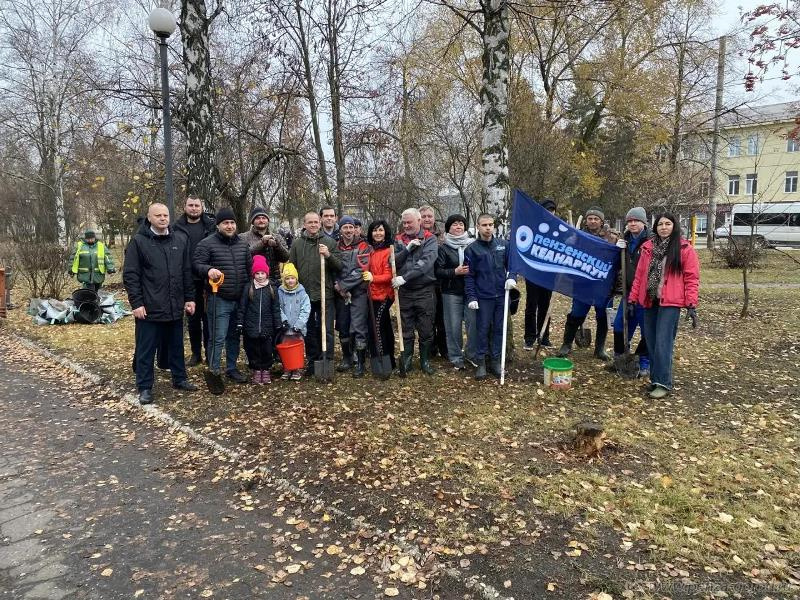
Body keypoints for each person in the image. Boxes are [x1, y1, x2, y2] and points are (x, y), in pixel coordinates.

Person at [123, 203, 197, 405]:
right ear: (149, 218)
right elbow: (131, 275)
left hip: (174, 306)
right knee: (146, 349)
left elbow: (186, 272)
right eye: (158, 215)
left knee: (176, 346)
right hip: (149, 308)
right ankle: (145, 387)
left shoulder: (179, 240)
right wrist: (136, 303)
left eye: (165, 215)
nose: (163, 218)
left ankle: (179, 378)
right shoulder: (139, 242)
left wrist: (189, 298)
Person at [629, 212, 700, 399]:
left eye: (668, 224)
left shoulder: (684, 249)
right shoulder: (648, 247)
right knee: (651, 342)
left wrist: (691, 304)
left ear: (674, 226)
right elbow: (639, 276)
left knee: (663, 343)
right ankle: (655, 380)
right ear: (655, 227)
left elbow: (691, 278)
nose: (664, 227)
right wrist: (632, 299)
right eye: (660, 224)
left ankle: (663, 383)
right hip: (650, 300)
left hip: (670, 303)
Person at [193, 207, 252, 385]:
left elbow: (249, 268)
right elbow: (196, 264)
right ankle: (214, 370)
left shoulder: (242, 244)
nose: (230, 226)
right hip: (218, 298)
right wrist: (208, 270)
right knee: (217, 337)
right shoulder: (206, 244)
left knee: (234, 336)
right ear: (218, 225)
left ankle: (231, 369)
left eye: (232, 222)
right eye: (226, 223)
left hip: (239, 299)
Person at [557, 206, 618, 360]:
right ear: (586, 220)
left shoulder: (612, 237)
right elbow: (568, 254)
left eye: (596, 219)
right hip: (582, 283)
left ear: (601, 221)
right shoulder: (578, 235)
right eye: (590, 218)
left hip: (604, 285)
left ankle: (599, 349)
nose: (592, 221)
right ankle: (566, 344)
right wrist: (569, 241)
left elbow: (618, 258)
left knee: (602, 316)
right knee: (576, 314)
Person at [288, 211, 342, 374]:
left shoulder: (329, 242)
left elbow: (339, 266)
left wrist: (328, 255)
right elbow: (292, 267)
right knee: (309, 329)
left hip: (326, 294)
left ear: (320, 223)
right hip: (304, 295)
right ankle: (313, 361)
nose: (313, 225)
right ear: (304, 224)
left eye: (315, 222)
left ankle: (328, 359)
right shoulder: (297, 244)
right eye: (309, 222)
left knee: (327, 329)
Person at [464, 214, 517, 379]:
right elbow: (469, 276)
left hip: (501, 295)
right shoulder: (471, 249)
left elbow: (512, 266)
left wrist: (511, 278)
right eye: (484, 225)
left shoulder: (504, 245)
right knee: (482, 329)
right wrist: (472, 297)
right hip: (483, 297)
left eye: (490, 224)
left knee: (499, 329)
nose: (488, 228)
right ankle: (481, 362)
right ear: (478, 227)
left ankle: (496, 361)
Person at [392, 208, 439, 375]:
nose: (406, 226)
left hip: (424, 290)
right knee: (406, 327)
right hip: (405, 292)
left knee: (426, 328)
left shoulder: (429, 239)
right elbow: (393, 261)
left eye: (409, 222)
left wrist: (405, 277)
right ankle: (407, 359)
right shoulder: (398, 239)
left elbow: (426, 263)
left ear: (419, 221)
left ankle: (425, 360)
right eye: (404, 223)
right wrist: (406, 249)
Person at [174, 195, 216, 366]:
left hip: (208, 280)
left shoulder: (211, 226)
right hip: (187, 280)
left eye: (197, 205)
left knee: (208, 319)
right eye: (190, 205)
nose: (194, 208)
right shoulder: (177, 228)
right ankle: (195, 353)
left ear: (202, 207)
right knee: (192, 319)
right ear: (185, 207)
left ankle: (209, 353)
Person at [612, 207, 650, 377]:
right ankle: (620, 359)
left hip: (646, 295)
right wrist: (617, 250)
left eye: (636, 221)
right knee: (619, 325)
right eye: (630, 221)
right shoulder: (624, 240)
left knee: (647, 330)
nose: (633, 223)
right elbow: (616, 264)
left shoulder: (651, 241)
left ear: (644, 223)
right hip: (628, 293)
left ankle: (644, 363)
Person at [435, 214, 476, 370]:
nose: (458, 227)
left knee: (473, 325)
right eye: (454, 224)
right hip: (451, 292)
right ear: (448, 228)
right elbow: (438, 271)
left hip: (471, 292)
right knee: (453, 327)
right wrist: (454, 272)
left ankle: (471, 355)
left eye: (461, 224)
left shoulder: (473, 245)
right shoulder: (443, 248)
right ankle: (456, 357)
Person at [334, 216, 372, 377]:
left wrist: (344, 286)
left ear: (355, 229)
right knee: (343, 326)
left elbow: (362, 270)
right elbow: (333, 267)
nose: (349, 230)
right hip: (340, 295)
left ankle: (360, 362)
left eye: (351, 227)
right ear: (340, 229)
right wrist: (337, 285)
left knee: (358, 327)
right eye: (345, 227)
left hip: (358, 293)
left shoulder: (364, 246)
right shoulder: (336, 246)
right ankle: (347, 357)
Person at [238, 255, 281, 385]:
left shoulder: (272, 288)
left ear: (267, 273)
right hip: (251, 325)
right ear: (253, 274)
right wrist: (240, 322)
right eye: (257, 273)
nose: (260, 276)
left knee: (267, 349)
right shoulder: (248, 288)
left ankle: (266, 369)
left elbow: (276, 308)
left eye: (262, 273)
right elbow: (242, 307)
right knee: (253, 349)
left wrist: (278, 323)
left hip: (267, 325)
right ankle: (256, 370)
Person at [523, 198, 556, 350]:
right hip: (533, 273)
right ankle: (529, 338)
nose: (550, 213)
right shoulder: (532, 227)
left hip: (549, 275)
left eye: (552, 211)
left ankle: (544, 337)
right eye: (547, 210)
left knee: (545, 306)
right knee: (531, 305)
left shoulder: (557, 229)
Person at [365, 220, 396, 371]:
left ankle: (383, 359)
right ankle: (390, 360)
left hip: (384, 296)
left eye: (381, 230)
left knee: (376, 328)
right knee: (384, 327)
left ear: (386, 232)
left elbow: (390, 275)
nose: (378, 233)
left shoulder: (389, 251)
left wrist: (373, 278)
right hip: (372, 295)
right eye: (375, 230)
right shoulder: (370, 251)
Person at [420, 204, 449, 359]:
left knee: (442, 318)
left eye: (429, 216)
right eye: (423, 216)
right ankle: (430, 349)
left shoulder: (443, 236)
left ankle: (444, 348)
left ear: (434, 218)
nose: (427, 219)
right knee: (427, 318)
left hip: (441, 282)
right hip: (424, 283)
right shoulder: (416, 235)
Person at [239, 206, 289, 286]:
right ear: (253, 221)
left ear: (268, 221)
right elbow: (243, 256)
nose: (261, 220)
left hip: (274, 282)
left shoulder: (277, 237)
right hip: (253, 283)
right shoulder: (243, 237)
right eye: (258, 218)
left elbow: (285, 258)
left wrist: (277, 245)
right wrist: (262, 242)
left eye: (264, 218)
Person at [278, 263, 311, 381]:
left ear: (296, 279)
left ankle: (297, 369)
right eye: (287, 278)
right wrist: (283, 320)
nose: (290, 281)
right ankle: (287, 368)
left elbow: (306, 309)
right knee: (286, 349)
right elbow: (278, 307)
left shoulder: (302, 293)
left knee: (298, 349)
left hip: (298, 330)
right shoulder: (280, 292)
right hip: (286, 329)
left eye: (292, 278)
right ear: (284, 280)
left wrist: (299, 324)